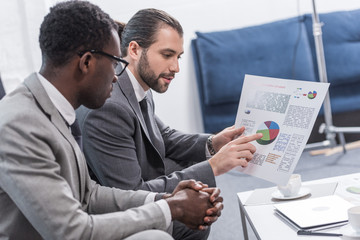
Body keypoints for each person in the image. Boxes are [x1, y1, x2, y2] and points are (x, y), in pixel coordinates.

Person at [0, 2, 224, 240]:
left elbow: (89, 194)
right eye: (115, 63)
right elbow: (71, 231)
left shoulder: (50, 106)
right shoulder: (19, 126)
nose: (118, 77)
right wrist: (171, 209)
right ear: (87, 62)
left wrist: (165, 199)